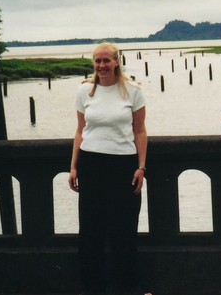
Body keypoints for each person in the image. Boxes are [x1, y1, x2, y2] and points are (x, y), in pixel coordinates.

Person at [68, 42, 151, 295]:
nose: (102, 65)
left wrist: (141, 167)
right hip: (91, 164)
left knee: (124, 227)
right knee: (91, 228)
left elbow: (140, 131)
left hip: (123, 165)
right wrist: (73, 167)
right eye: (97, 61)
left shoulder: (133, 91)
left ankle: (129, 286)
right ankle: (92, 286)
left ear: (117, 62)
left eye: (106, 60)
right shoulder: (84, 92)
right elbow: (80, 131)